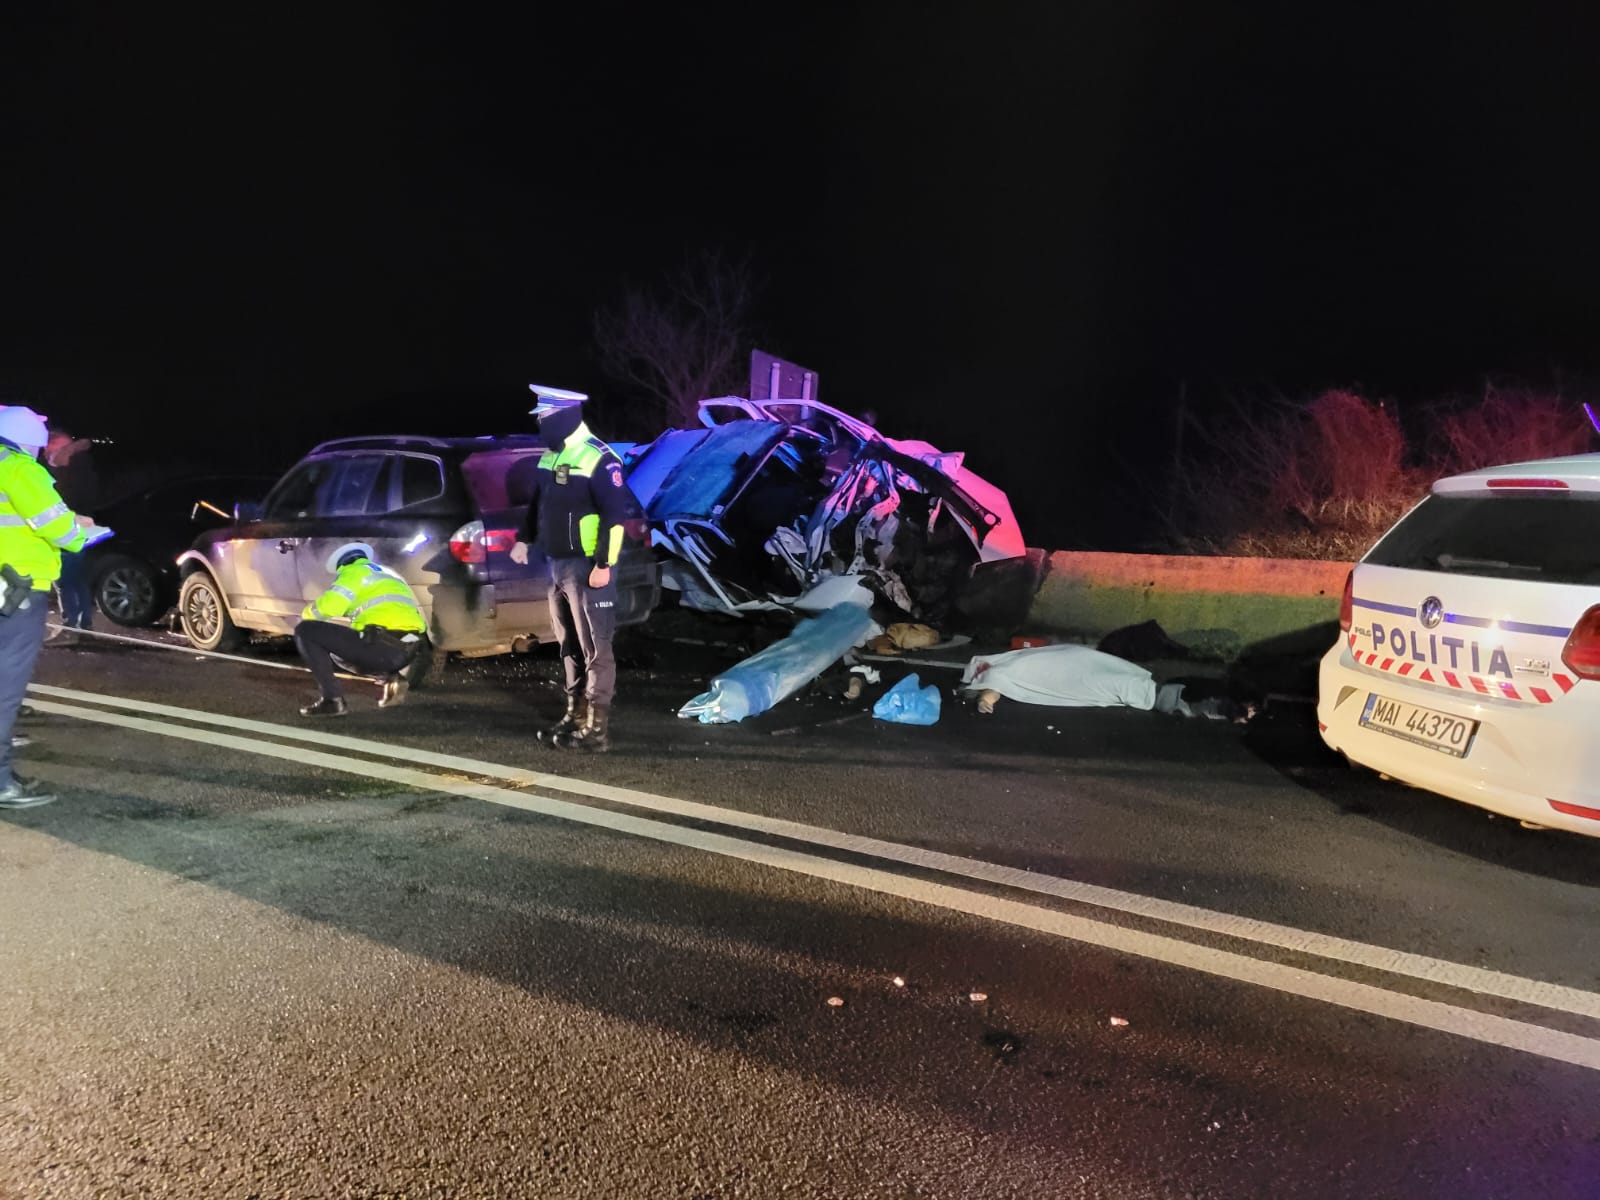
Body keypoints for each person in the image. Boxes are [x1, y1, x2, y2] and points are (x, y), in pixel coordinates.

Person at [510, 384, 631, 752]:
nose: (541, 424)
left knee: (596, 647)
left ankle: (597, 731)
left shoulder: (600, 457)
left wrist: (604, 563)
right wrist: (524, 539)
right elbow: (538, 504)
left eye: (545, 417)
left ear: (565, 415)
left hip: (587, 567)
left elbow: (615, 517)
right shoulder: (551, 456)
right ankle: (575, 715)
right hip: (556, 565)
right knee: (568, 644)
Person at [0, 406, 99, 808]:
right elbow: (58, 529)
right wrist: (82, 530)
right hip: (18, 590)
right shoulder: (20, 469)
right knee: (5, 689)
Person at [293, 542, 428, 717]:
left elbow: (330, 606)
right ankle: (391, 676)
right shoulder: (390, 574)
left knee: (306, 631)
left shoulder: (354, 572)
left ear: (342, 565)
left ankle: (332, 700)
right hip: (410, 648)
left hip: (382, 646)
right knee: (339, 651)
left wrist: (305, 614)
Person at [42, 426, 99, 641]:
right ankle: (83, 626)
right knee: (77, 579)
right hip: (80, 527)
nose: (46, 452)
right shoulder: (81, 464)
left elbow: (61, 499)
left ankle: (71, 627)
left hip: (69, 527)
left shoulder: (68, 466)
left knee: (65, 581)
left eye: (49, 447)